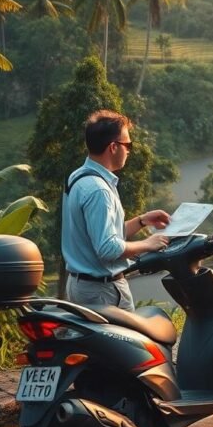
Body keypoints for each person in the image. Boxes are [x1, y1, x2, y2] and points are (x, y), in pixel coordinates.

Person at [62, 110, 171, 312]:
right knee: (130, 343)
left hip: (82, 285)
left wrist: (141, 220)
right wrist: (147, 244)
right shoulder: (99, 190)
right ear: (113, 147)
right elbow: (107, 249)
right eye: (127, 145)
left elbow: (101, 234)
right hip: (102, 291)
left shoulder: (79, 177)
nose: (129, 151)